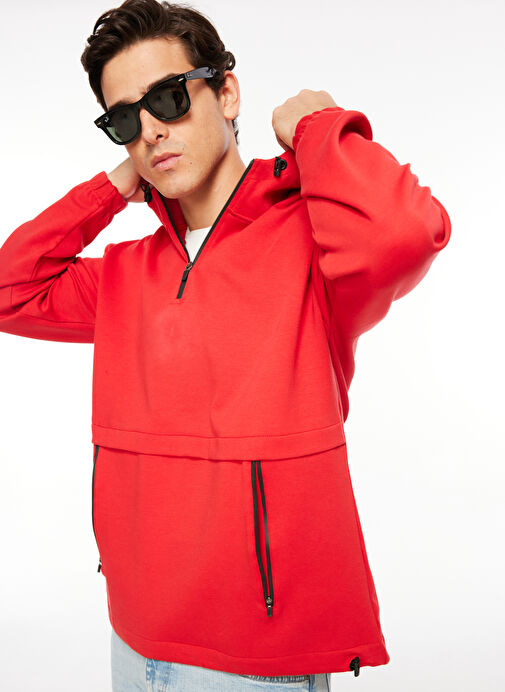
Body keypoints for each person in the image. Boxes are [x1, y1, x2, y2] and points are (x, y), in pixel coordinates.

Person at [0, 0, 452, 690]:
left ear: (227, 93)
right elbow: (10, 290)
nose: (151, 131)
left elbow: (404, 235)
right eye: (125, 120)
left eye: (168, 98)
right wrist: (111, 188)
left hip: (257, 657)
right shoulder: (124, 275)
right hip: (133, 637)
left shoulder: (312, 245)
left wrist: (318, 128)